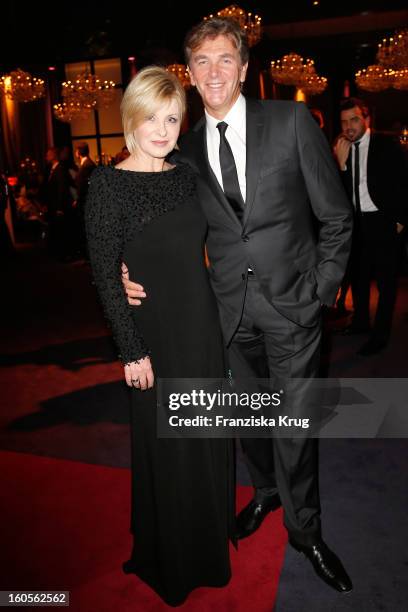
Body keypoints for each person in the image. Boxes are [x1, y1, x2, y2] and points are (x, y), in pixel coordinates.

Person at [123, 17, 354, 594]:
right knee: (248, 420)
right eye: (201, 62)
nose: (214, 72)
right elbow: (159, 225)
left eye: (225, 59)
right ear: (190, 75)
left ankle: (306, 532)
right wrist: (126, 270)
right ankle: (266, 494)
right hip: (224, 314)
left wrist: (322, 290)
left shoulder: (292, 121)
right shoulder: (182, 150)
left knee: (294, 427)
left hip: (293, 308)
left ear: (245, 68)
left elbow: (336, 216)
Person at [85, 66, 234, 607]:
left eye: (172, 118)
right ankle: (172, 557)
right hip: (154, 337)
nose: (162, 128)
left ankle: (207, 543)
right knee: (168, 446)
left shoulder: (186, 172)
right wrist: (130, 350)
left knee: (205, 436)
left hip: (202, 326)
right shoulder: (107, 185)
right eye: (152, 116)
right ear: (131, 118)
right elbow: (104, 275)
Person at [334, 97, 407, 355]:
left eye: (354, 120)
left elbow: (404, 180)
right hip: (357, 223)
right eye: (344, 122)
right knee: (359, 277)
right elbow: (338, 198)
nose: (349, 127)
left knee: (386, 283)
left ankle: (380, 335)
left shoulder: (386, 143)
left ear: (366, 119)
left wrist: (401, 219)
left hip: (384, 221)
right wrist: (341, 166)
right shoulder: (341, 147)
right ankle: (361, 322)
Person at [74, 141, 96, 258]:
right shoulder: (86, 164)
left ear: (79, 152)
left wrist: (77, 199)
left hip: (86, 202)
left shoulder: (87, 165)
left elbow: (83, 186)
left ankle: (88, 256)